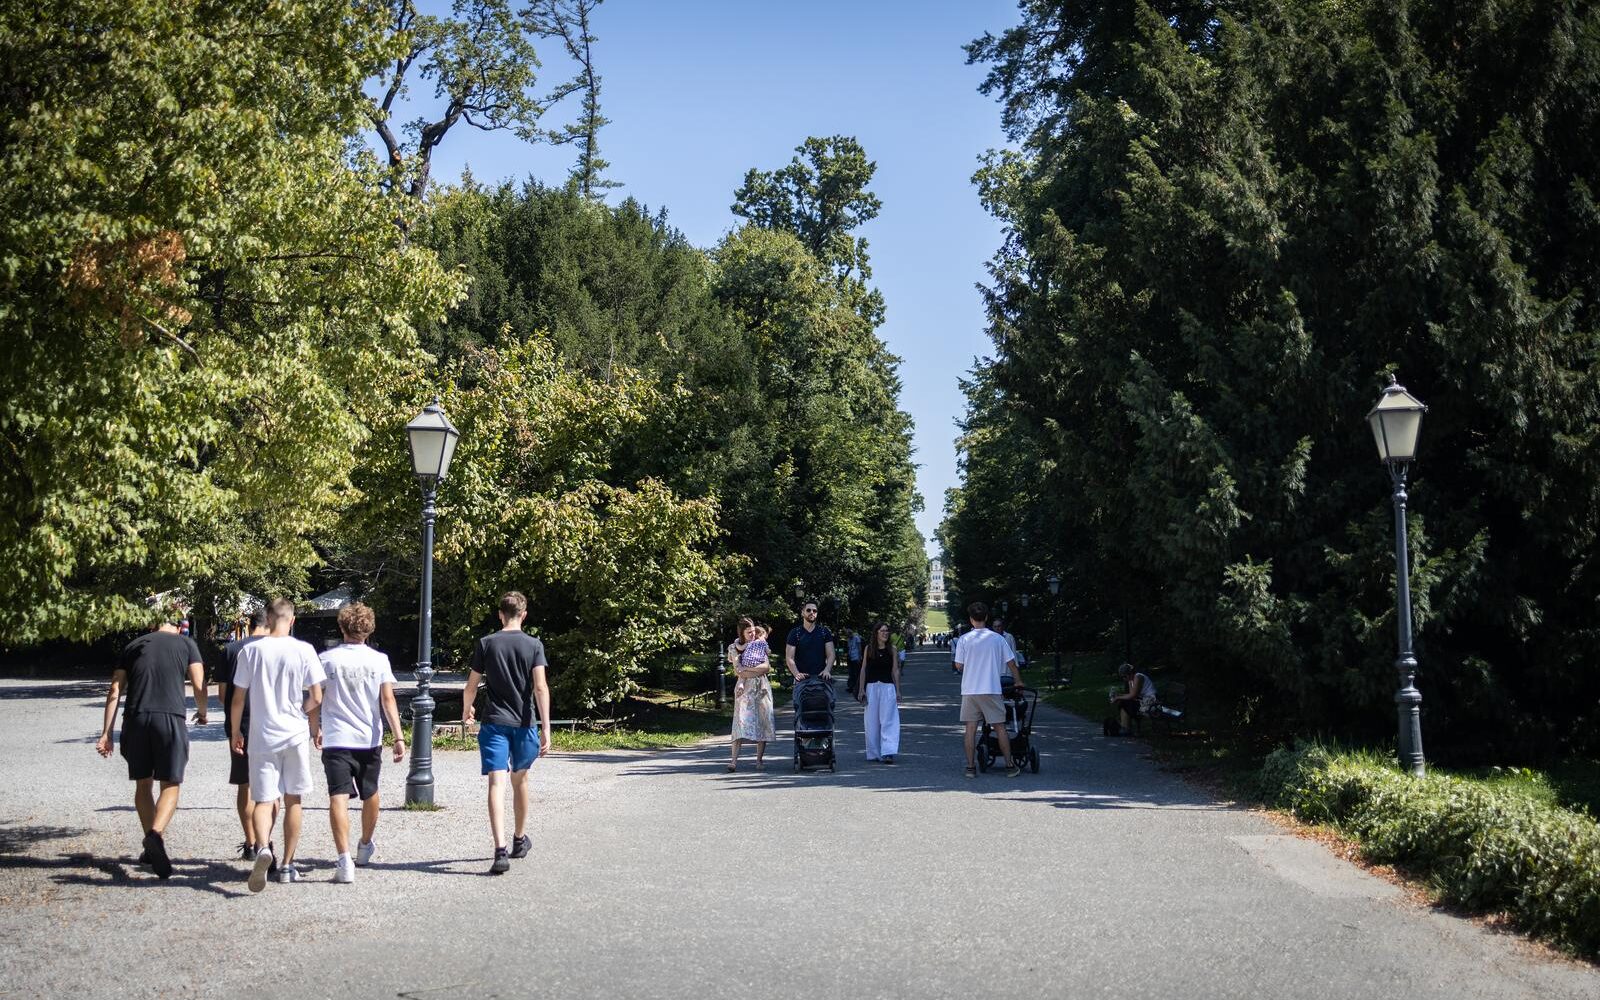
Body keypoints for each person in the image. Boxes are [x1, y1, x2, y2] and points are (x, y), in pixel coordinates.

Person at [96, 610, 207, 879]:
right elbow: (198, 683)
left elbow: (114, 689)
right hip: (169, 718)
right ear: (179, 625)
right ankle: (155, 836)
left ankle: (150, 845)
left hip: (135, 719)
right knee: (170, 783)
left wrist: (106, 733)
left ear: (152, 623)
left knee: (143, 784)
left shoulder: (133, 645)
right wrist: (203, 712)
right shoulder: (186, 644)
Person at [230, 597, 325, 892]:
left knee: (263, 799)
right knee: (293, 799)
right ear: (292, 620)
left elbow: (238, 698)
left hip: (262, 734)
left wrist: (235, 731)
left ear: (268, 619)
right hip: (294, 733)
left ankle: (262, 847)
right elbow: (317, 697)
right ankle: (287, 865)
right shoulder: (304, 650)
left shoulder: (251, 651)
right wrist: (307, 720)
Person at [461, 591, 552, 876]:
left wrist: (467, 709)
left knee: (496, 783)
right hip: (524, 724)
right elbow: (540, 687)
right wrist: (546, 726)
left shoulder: (486, 643)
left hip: (494, 722)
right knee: (520, 780)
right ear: (523, 615)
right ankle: (519, 839)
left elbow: (471, 685)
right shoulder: (534, 645)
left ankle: (499, 850)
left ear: (500, 615)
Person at [314, 602, 406, 884]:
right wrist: (399, 736)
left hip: (336, 737)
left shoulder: (326, 660)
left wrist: (315, 727)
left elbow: (316, 698)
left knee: (337, 796)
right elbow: (387, 700)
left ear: (342, 627)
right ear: (369, 629)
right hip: (368, 738)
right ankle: (365, 844)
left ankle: (344, 860)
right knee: (371, 791)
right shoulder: (379, 660)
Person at [219, 608, 275, 863]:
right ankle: (266, 842)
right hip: (270, 723)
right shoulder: (277, 648)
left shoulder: (231, 650)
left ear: (249, 625)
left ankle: (251, 843)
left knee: (245, 784)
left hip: (240, 722)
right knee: (271, 785)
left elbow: (223, 695)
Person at [952, 601, 1021, 778]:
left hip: (970, 689)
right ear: (987, 617)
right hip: (991, 688)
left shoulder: (964, 639)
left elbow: (958, 665)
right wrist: (1018, 681)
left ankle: (970, 767)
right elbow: (1011, 663)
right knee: (1000, 727)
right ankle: (1009, 765)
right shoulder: (998, 639)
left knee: (970, 729)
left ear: (971, 619)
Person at [726, 617, 775, 772]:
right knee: (740, 721)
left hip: (762, 686)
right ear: (742, 633)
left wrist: (747, 670)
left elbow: (766, 667)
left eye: (754, 631)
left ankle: (759, 760)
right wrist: (752, 671)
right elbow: (737, 669)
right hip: (744, 688)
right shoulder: (734, 647)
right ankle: (733, 761)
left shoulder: (759, 644)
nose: (753, 634)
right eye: (749, 632)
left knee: (762, 720)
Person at [857, 622, 901, 764]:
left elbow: (895, 670)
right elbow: (863, 669)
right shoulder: (869, 649)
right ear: (876, 633)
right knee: (871, 721)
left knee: (888, 720)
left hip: (887, 687)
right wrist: (861, 689)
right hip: (871, 687)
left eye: (887, 631)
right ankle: (874, 752)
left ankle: (888, 752)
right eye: (882, 631)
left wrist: (898, 690)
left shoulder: (892, 649)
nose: (885, 633)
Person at [784, 600, 835, 683]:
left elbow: (831, 654)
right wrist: (797, 674)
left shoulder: (824, 632)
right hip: (802, 679)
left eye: (814, 611)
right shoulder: (795, 633)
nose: (812, 612)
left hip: (821, 678)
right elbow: (789, 657)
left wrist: (827, 670)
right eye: (808, 610)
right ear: (802, 613)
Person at [1110, 662, 1158, 735]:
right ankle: (1125, 727)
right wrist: (1118, 696)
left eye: (1124, 676)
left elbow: (1133, 695)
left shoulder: (1138, 677)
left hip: (1151, 700)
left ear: (1129, 673)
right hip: (1144, 700)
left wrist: (1118, 697)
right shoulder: (1131, 680)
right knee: (1124, 702)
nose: (1124, 679)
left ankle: (1126, 728)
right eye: (1123, 677)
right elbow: (1131, 694)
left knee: (1124, 703)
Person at [844, 627, 864, 700]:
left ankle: (857, 688)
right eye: (847, 635)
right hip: (850, 657)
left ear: (851, 633)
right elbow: (849, 648)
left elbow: (859, 648)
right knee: (851, 673)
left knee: (856, 673)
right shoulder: (849, 639)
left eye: (848, 635)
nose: (848, 636)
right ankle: (851, 687)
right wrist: (848, 655)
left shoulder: (856, 638)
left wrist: (860, 657)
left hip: (856, 658)